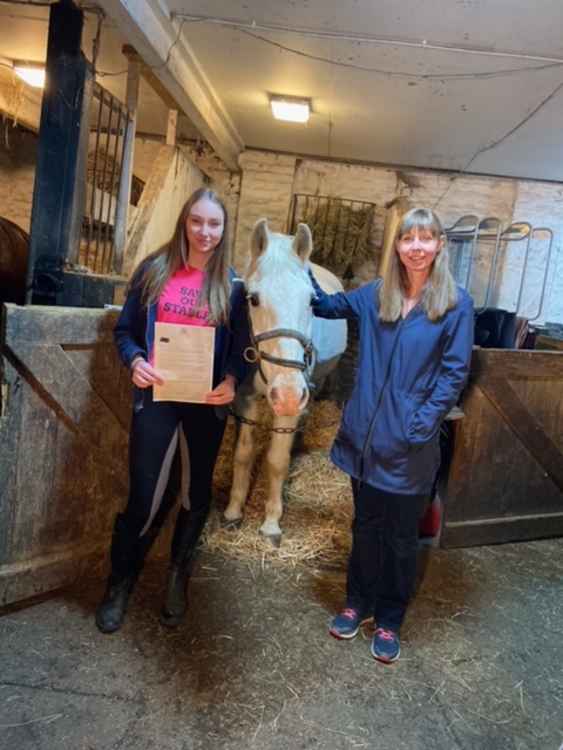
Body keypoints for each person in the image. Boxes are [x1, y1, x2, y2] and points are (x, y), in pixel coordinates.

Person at [309, 207, 474, 663]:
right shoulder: (377, 294)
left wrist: (420, 425)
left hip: (410, 447)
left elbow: (455, 371)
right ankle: (357, 601)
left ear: (440, 245)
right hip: (362, 438)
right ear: (397, 247)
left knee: (401, 539)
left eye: (425, 238)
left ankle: (389, 617)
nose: (416, 247)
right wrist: (296, 269)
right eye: (408, 239)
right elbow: (327, 305)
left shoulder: (456, 304)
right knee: (365, 527)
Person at [95, 187, 249, 634]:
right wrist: (136, 361)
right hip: (157, 399)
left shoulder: (233, 286)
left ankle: (178, 576)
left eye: (214, 224)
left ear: (224, 229)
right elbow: (125, 332)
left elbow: (242, 350)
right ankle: (119, 582)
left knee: (193, 495)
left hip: (205, 405)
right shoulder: (154, 271)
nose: (205, 232)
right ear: (185, 222)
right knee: (144, 495)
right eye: (197, 222)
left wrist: (231, 382)